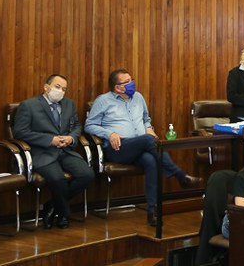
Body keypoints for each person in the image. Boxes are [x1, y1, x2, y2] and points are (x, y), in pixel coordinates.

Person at [85, 69, 202, 226]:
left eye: (131, 79)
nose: (132, 84)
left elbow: (146, 119)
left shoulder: (138, 97)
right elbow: (89, 125)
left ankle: (152, 211)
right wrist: (109, 134)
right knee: (148, 140)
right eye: (127, 82)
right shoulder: (103, 101)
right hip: (118, 149)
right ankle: (180, 175)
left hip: (140, 147)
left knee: (151, 161)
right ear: (117, 87)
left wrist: (148, 128)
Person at [12, 74, 94, 229]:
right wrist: (49, 140)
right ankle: (64, 215)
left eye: (64, 89)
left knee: (87, 175)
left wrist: (71, 138)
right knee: (57, 179)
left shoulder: (69, 104)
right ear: (46, 87)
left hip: (65, 151)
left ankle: (52, 205)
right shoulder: (29, 105)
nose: (61, 91)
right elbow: (20, 132)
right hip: (42, 153)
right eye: (57, 87)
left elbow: (76, 125)